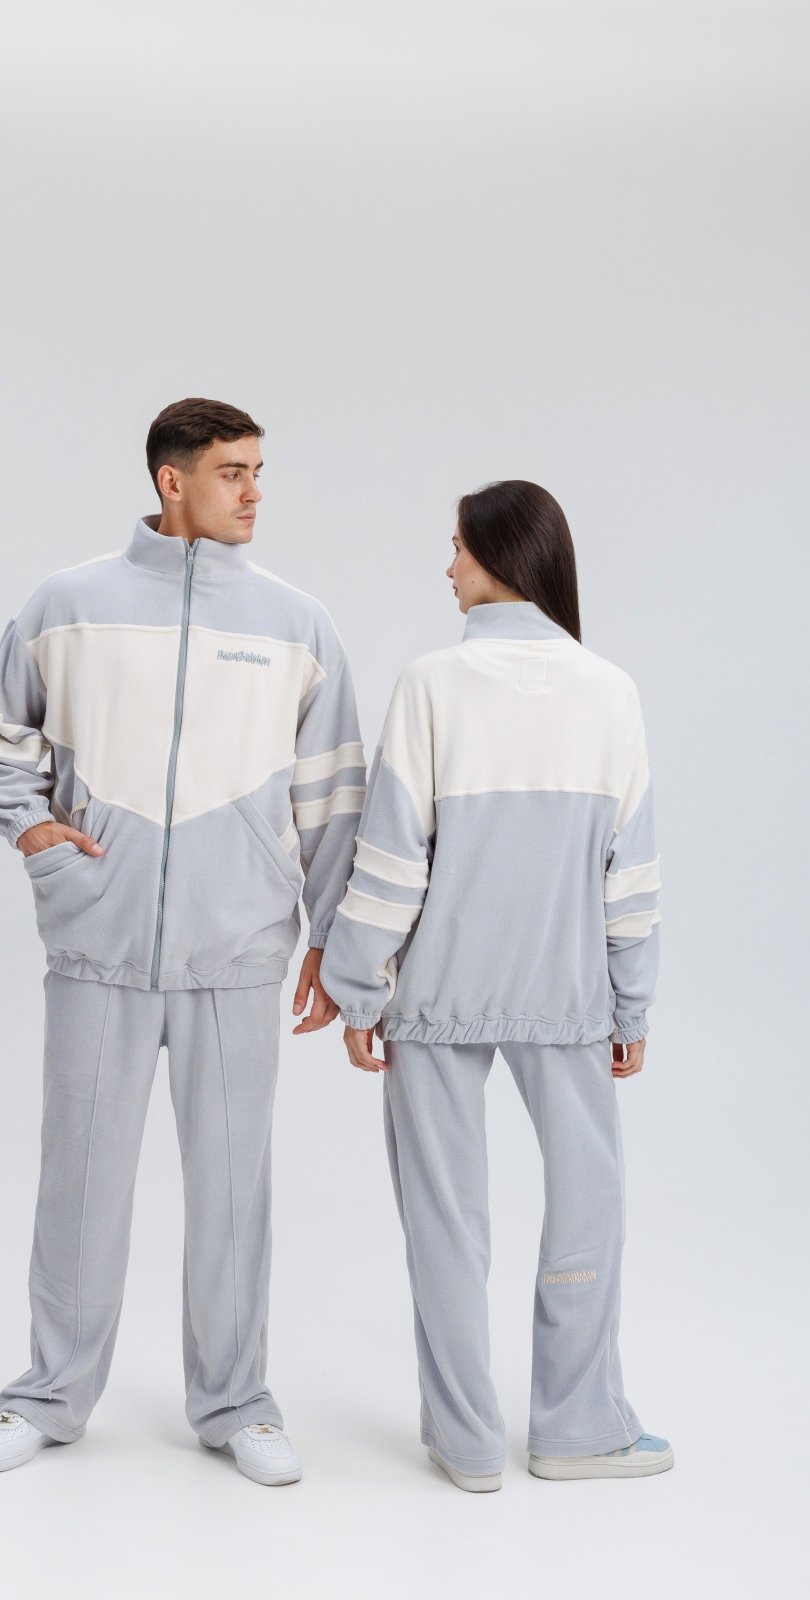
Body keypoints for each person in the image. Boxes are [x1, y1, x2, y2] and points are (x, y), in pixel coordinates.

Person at [0, 398, 364, 1484]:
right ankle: (48, 1396)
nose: (254, 491)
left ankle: (237, 1404)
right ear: (170, 480)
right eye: (233, 471)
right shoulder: (69, 603)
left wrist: (328, 939)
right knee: (80, 1183)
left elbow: (334, 795)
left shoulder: (297, 624)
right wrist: (35, 832)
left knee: (232, 1190)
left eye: (258, 470)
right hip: (98, 944)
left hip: (237, 949)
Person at [321, 480, 671, 1491]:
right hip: (567, 995)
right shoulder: (610, 690)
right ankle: (576, 1428)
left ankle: (467, 1442)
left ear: (501, 555)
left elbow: (391, 859)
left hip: (433, 996)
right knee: (589, 1203)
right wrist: (630, 1001)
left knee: (443, 1218)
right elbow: (629, 873)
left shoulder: (429, 684)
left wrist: (357, 986)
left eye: (458, 550)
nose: (446, 568)